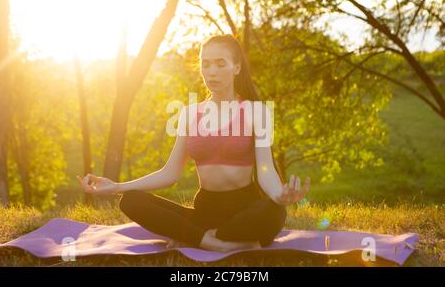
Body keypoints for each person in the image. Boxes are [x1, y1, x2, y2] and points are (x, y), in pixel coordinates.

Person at [77, 34, 310, 252]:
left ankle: (196, 238)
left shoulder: (255, 111)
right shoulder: (189, 114)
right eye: (205, 64)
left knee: (274, 211)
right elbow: (170, 173)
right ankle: (219, 242)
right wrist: (117, 187)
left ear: (236, 67)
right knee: (131, 200)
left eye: (220, 64)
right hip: (205, 211)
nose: (212, 72)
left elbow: (265, 170)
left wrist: (280, 195)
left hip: (245, 210)